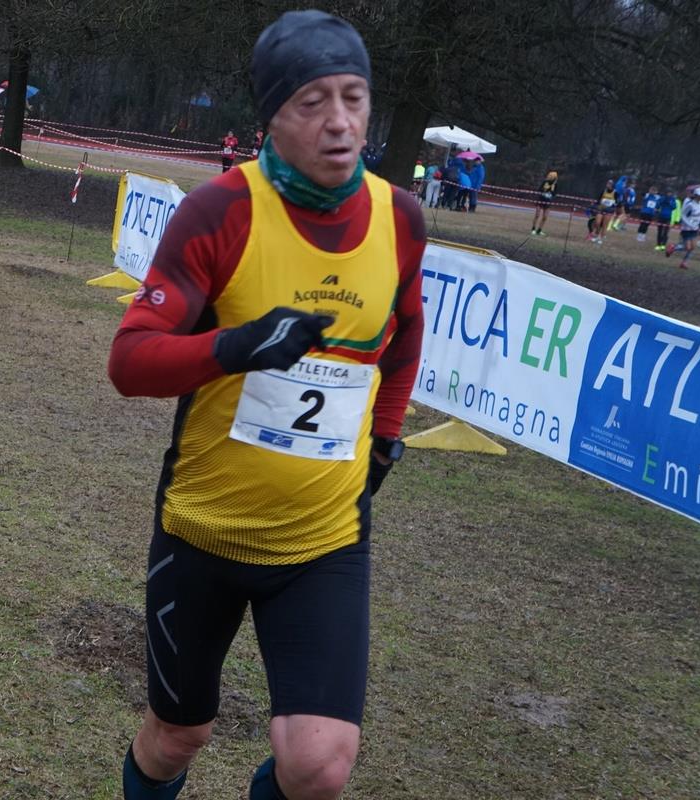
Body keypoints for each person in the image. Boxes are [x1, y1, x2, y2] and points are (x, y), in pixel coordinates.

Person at [108, 10, 424, 800]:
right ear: (271, 118)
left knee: (319, 766)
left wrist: (384, 442)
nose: (340, 122)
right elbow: (130, 361)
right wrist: (236, 346)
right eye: (313, 102)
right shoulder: (221, 212)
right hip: (205, 531)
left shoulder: (400, 218)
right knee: (177, 737)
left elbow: (405, 339)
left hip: (324, 539)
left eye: (354, 97)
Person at [666, 187, 700, 270]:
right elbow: (683, 215)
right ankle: (673, 247)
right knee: (687, 247)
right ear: (696, 195)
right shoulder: (690, 204)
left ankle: (684, 263)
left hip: (695, 229)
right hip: (686, 229)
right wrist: (689, 224)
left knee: (692, 247)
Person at [531, 170, 557, 236]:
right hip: (541, 200)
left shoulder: (555, 184)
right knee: (537, 215)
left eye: (553, 177)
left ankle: (539, 230)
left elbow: (554, 193)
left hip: (548, 201)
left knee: (545, 217)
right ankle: (533, 229)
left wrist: (552, 190)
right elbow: (539, 190)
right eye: (551, 176)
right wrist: (545, 189)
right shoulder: (545, 182)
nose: (552, 178)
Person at [593, 179, 618, 244]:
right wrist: (596, 204)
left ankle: (600, 238)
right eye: (607, 183)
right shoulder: (603, 191)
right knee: (597, 222)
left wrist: (614, 208)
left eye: (609, 183)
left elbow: (617, 202)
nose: (607, 184)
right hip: (601, 209)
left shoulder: (615, 193)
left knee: (605, 225)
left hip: (609, 210)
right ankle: (597, 234)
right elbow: (598, 200)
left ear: (612, 185)